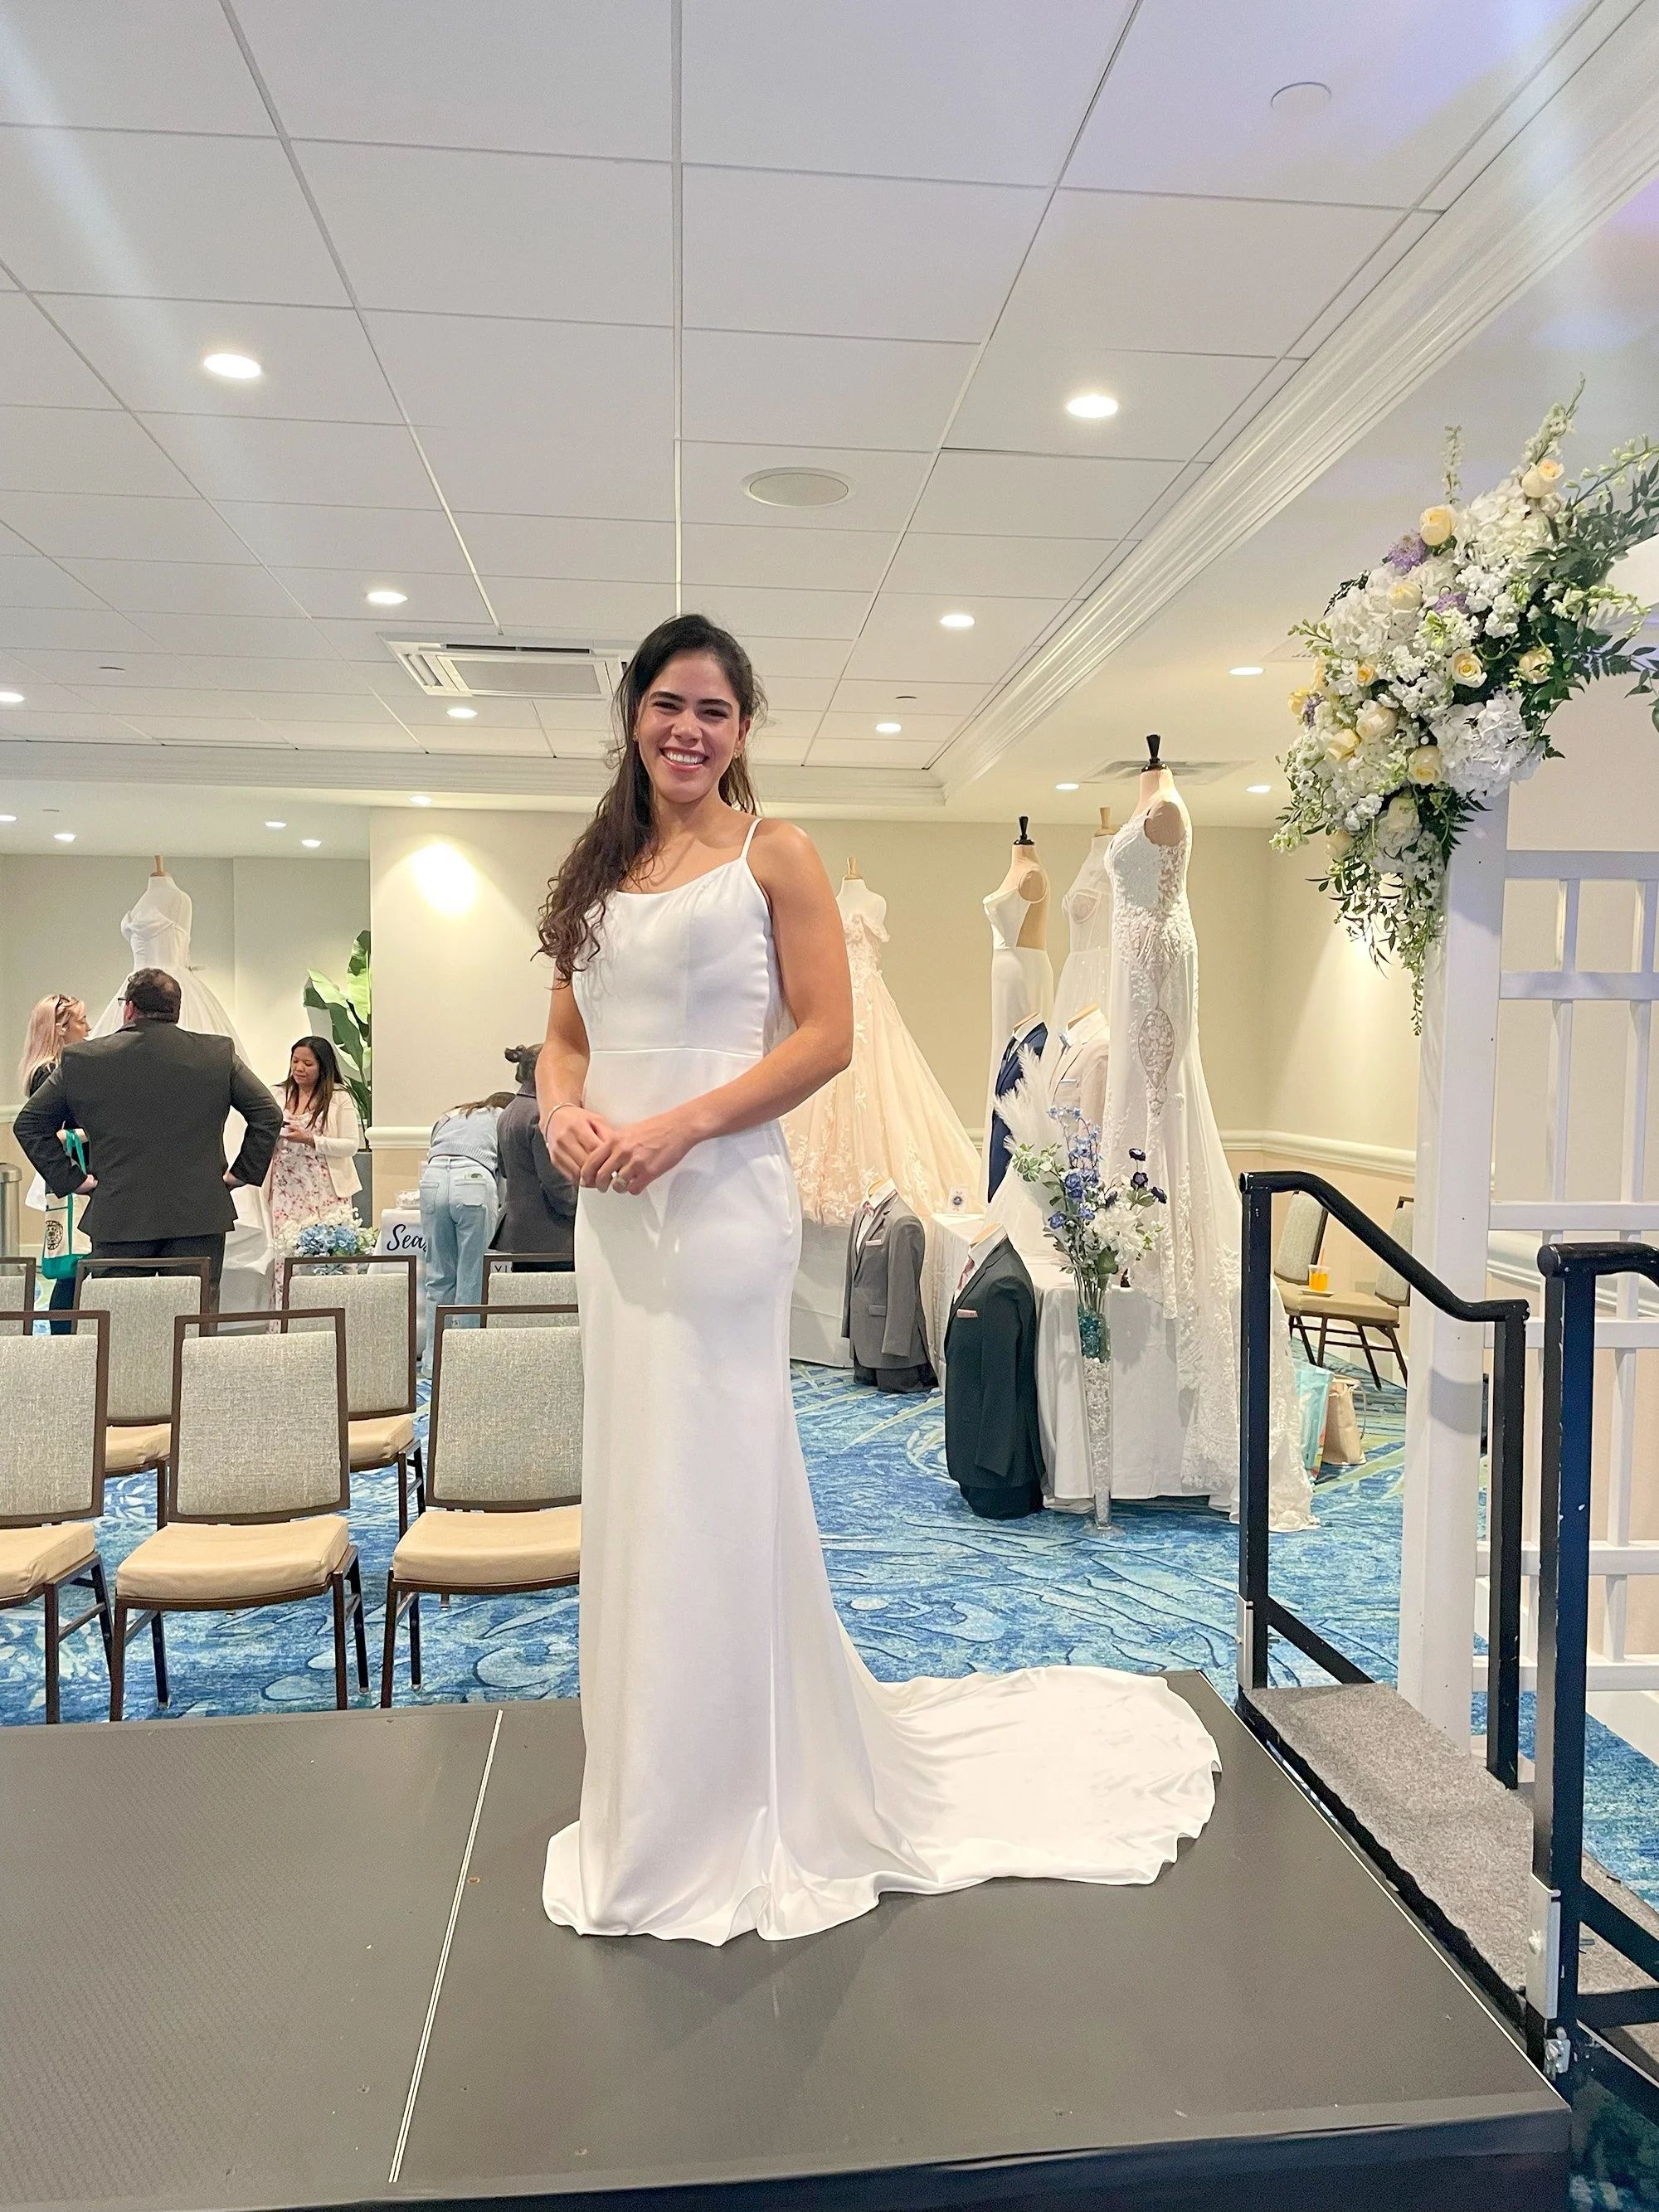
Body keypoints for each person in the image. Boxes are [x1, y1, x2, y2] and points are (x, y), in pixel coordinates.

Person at [534, 611, 1218, 1947]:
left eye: (715, 712)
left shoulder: (770, 854)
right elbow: (566, 1035)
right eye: (669, 704)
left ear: (742, 732)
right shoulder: (599, 866)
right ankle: (650, 1785)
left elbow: (831, 1037)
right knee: (634, 1477)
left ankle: (737, 1794)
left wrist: (678, 1125)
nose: (688, 729)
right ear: (633, 714)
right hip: (612, 1221)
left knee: (712, 1480)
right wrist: (564, 1111)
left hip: (717, 1201)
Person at [14, 967, 282, 1302]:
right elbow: (268, 1114)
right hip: (198, 1215)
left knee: (121, 1322)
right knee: (190, 1323)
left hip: (118, 1213)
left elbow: (29, 1124)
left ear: (129, 1008)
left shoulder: (84, 1059)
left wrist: (72, 1179)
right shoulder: (217, 1054)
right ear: (177, 1011)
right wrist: (242, 1172)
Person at [418, 1088, 512, 1359]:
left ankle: (433, 1362)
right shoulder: (504, 1117)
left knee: (438, 1276)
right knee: (472, 1278)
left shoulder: (452, 1115)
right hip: (473, 1181)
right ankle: (465, 1360)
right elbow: (505, 1175)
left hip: (433, 1181)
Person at [17, 994, 91, 1325]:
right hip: (74, 1174)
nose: (88, 1028)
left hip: (68, 1173)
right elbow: (48, 1132)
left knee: (72, 1260)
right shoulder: (50, 1073)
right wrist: (90, 1132)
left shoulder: (48, 1069)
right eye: (81, 1021)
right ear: (62, 1028)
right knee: (71, 1262)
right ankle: (62, 1330)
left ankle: (65, 1327)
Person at [266, 1033, 364, 1248]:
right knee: (287, 1249)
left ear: (323, 1067)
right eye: (295, 1061)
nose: (299, 1068)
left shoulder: (338, 1096)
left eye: (308, 1063)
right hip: (285, 1187)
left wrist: (311, 1139)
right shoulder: (278, 1094)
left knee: (326, 1250)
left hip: (325, 1186)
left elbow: (351, 1145)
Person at [494, 1044, 577, 1270]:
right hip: (551, 1235)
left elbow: (504, 1169)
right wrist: (578, 1210)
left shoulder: (509, 1111)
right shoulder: (540, 1115)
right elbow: (554, 1180)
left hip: (520, 1233)